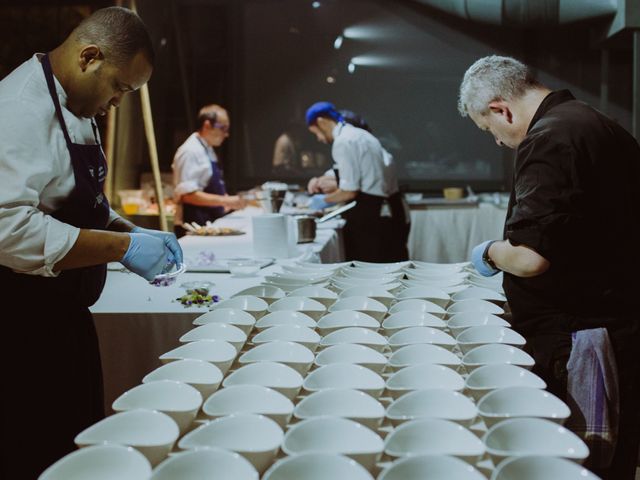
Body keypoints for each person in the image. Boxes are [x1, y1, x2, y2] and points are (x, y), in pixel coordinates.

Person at [0, 7, 184, 477]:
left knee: (77, 445)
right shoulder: (19, 108)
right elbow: (8, 229)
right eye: (119, 88)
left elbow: (74, 200)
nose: (118, 102)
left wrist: (127, 229)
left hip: (65, 320)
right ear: (89, 57)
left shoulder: (76, 103)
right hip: (23, 326)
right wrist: (120, 250)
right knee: (37, 453)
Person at [459, 55, 640, 479]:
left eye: (491, 131)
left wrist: (488, 252)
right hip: (620, 320)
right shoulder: (596, 122)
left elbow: (528, 257)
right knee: (613, 460)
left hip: (586, 335)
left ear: (501, 109)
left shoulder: (550, 139)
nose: (499, 143)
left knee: (578, 462)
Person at [305, 101, 410, 262]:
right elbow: (352, 172)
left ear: (321, 121)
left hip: (371, 214)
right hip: (389, 210)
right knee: (390, 266)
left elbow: (349, 190)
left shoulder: (343, 141)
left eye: (315, 133)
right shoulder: (360, 136)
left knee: (369, 267)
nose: (319, 138)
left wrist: (323, 201)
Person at [172, 104, 246, 237]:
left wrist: (226, 200)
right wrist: (226, 201)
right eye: (223, 128)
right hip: (194, 225)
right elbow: (187, 195)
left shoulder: (207, 148)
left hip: (209, 221)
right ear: (207, 125)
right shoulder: (191, 151)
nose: (226, 134)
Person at [306, 109, 373, 196]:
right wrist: (320, 180)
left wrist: (336, 187)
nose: (318, 139)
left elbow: (354, 186)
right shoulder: (356, 142)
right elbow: (344, 169)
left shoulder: (346, 140)